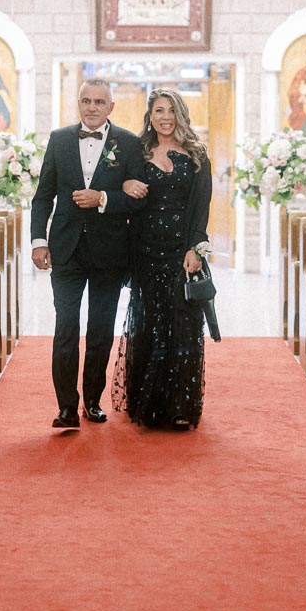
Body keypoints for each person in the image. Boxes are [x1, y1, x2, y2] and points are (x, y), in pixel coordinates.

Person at [30, 79, 146, 429]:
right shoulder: (60, 138)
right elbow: (43, 195)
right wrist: (38, 240)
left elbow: (140, 197)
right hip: (65, 248)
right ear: (78, 104)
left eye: (99, 102)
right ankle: (66, 407)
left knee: (100, 330)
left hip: (110, 250)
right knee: (65, 327)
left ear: (111, 107)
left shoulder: (128, 143)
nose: (92, 107)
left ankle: (92, 402)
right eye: (86, 101)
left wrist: (105, 199)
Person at [112, 89, 213, 430]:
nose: (165, 116)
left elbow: (201, 210)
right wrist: (125, 183)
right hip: (143, 249)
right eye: (158, 110)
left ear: (180, 114)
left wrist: (196, 249)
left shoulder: (198, 155)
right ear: (150, 115)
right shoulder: (137, 153)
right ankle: (148, 404)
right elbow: (120, 190)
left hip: (180, 252)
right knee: (147, 323)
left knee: (183, 327)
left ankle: (181, 407)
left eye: (171, 110)